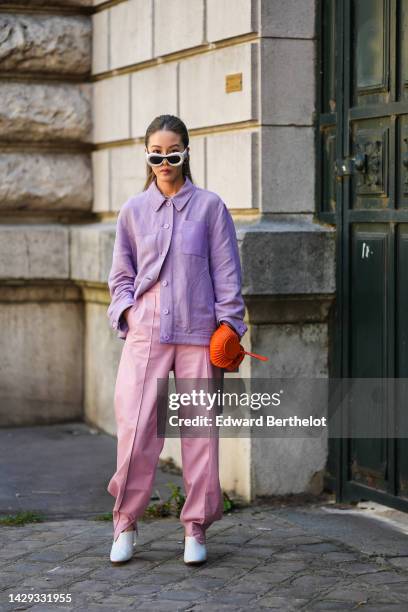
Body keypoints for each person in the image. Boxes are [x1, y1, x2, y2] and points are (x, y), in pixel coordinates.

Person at [106, 114, 247, 565]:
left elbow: (227, 276)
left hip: (198, 335)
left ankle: (196, 528)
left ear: (186, 152)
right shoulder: (133, 210)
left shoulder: (210, 208)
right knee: (135, 431)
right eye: (155, 155)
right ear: (146, 156)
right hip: (145, 335)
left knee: (200, 434)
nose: (164, 162)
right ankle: (125, 523)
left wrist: (230, 326)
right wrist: (128, 313)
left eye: (172, 153)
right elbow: (120, 277)